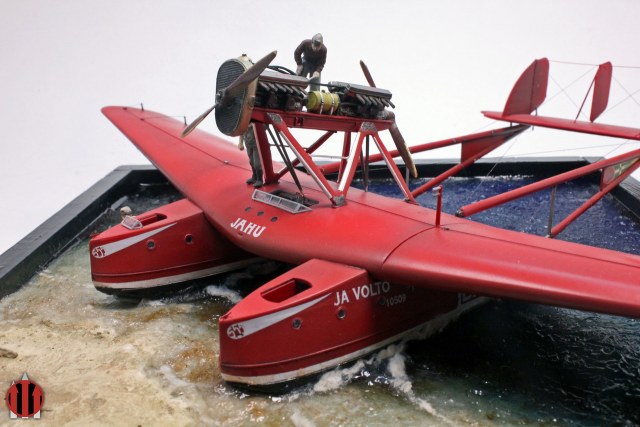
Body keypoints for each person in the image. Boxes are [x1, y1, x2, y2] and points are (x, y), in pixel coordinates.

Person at [238, 124, 263, 188]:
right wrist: (240, 142)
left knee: (257, 164)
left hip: (257, 143)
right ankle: (254, 177)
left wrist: (255, 125)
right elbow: (241, 132)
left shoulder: (256, 122)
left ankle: (260, 179)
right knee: (251, 161)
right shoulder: (244, 121)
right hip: (248, 143)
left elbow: (265, 127)